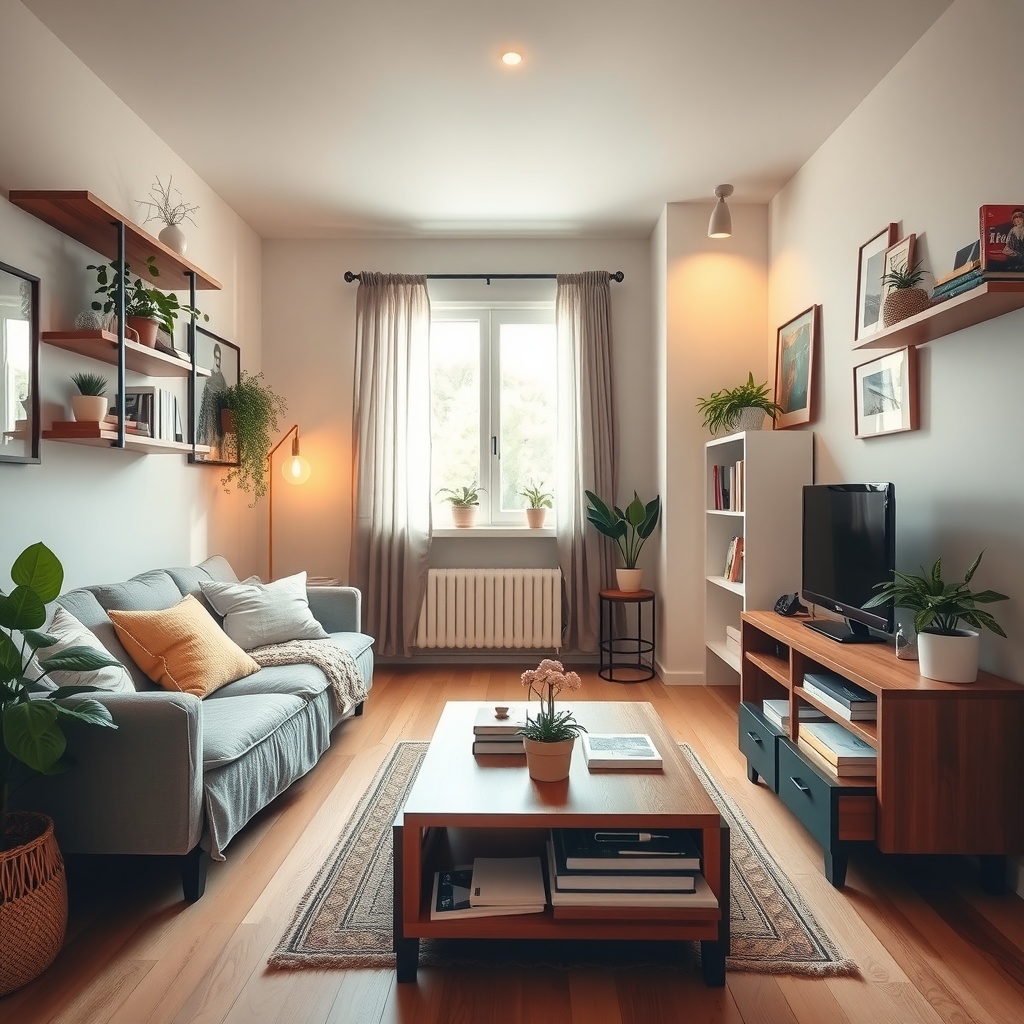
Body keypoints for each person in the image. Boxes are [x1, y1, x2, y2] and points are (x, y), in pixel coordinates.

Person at [197, 343, 228, 449]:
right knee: (210, 439)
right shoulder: (209, 376)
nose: (218, 361)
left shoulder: (222, 379)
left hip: (219, 418)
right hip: (209, 414)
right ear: (214, 358)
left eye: (219, 358)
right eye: (216, 358)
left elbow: (226, 395)